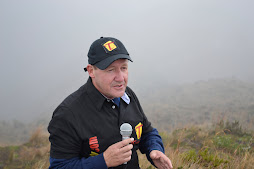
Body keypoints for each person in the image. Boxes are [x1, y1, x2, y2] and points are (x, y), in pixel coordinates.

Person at [48, 37, 173, 169]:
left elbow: (147, 132)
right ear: (91, 71)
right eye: (110, 70)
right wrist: (104, 161)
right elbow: (59, 167)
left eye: (123, 68)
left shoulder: (128, 95)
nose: (120, 78)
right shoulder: (67, 114)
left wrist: (154, 149)